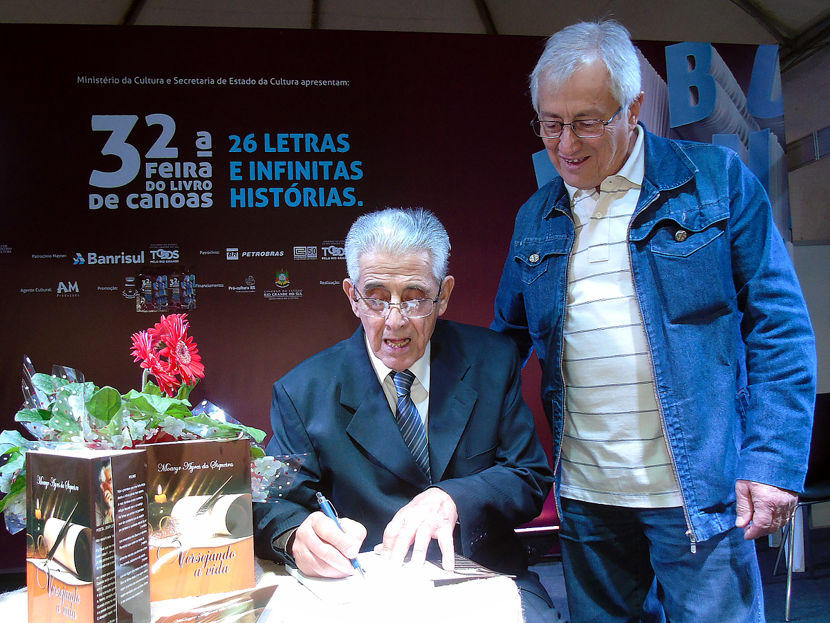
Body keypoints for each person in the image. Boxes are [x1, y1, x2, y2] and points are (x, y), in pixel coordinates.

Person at [492, 20, 817, 623]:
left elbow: (779, 329)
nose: (565, 143)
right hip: (588, 501)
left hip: (700, 494)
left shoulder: (717, 183)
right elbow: (501, 349)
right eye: (550, 122)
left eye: (587, 121)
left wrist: (771, 463)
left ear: (635, 106)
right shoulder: (536, 215)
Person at [254, 208, 556, 621]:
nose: (394, 322)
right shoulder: (304, 391)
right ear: (352, 295)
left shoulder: (491, 359)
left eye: (414, 298)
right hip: (366, 591)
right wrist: (295, 536)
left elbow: (529, 475)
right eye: (376, 298)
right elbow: (273, 501)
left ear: (444, 295)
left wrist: (453, 497)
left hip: (485, 575)